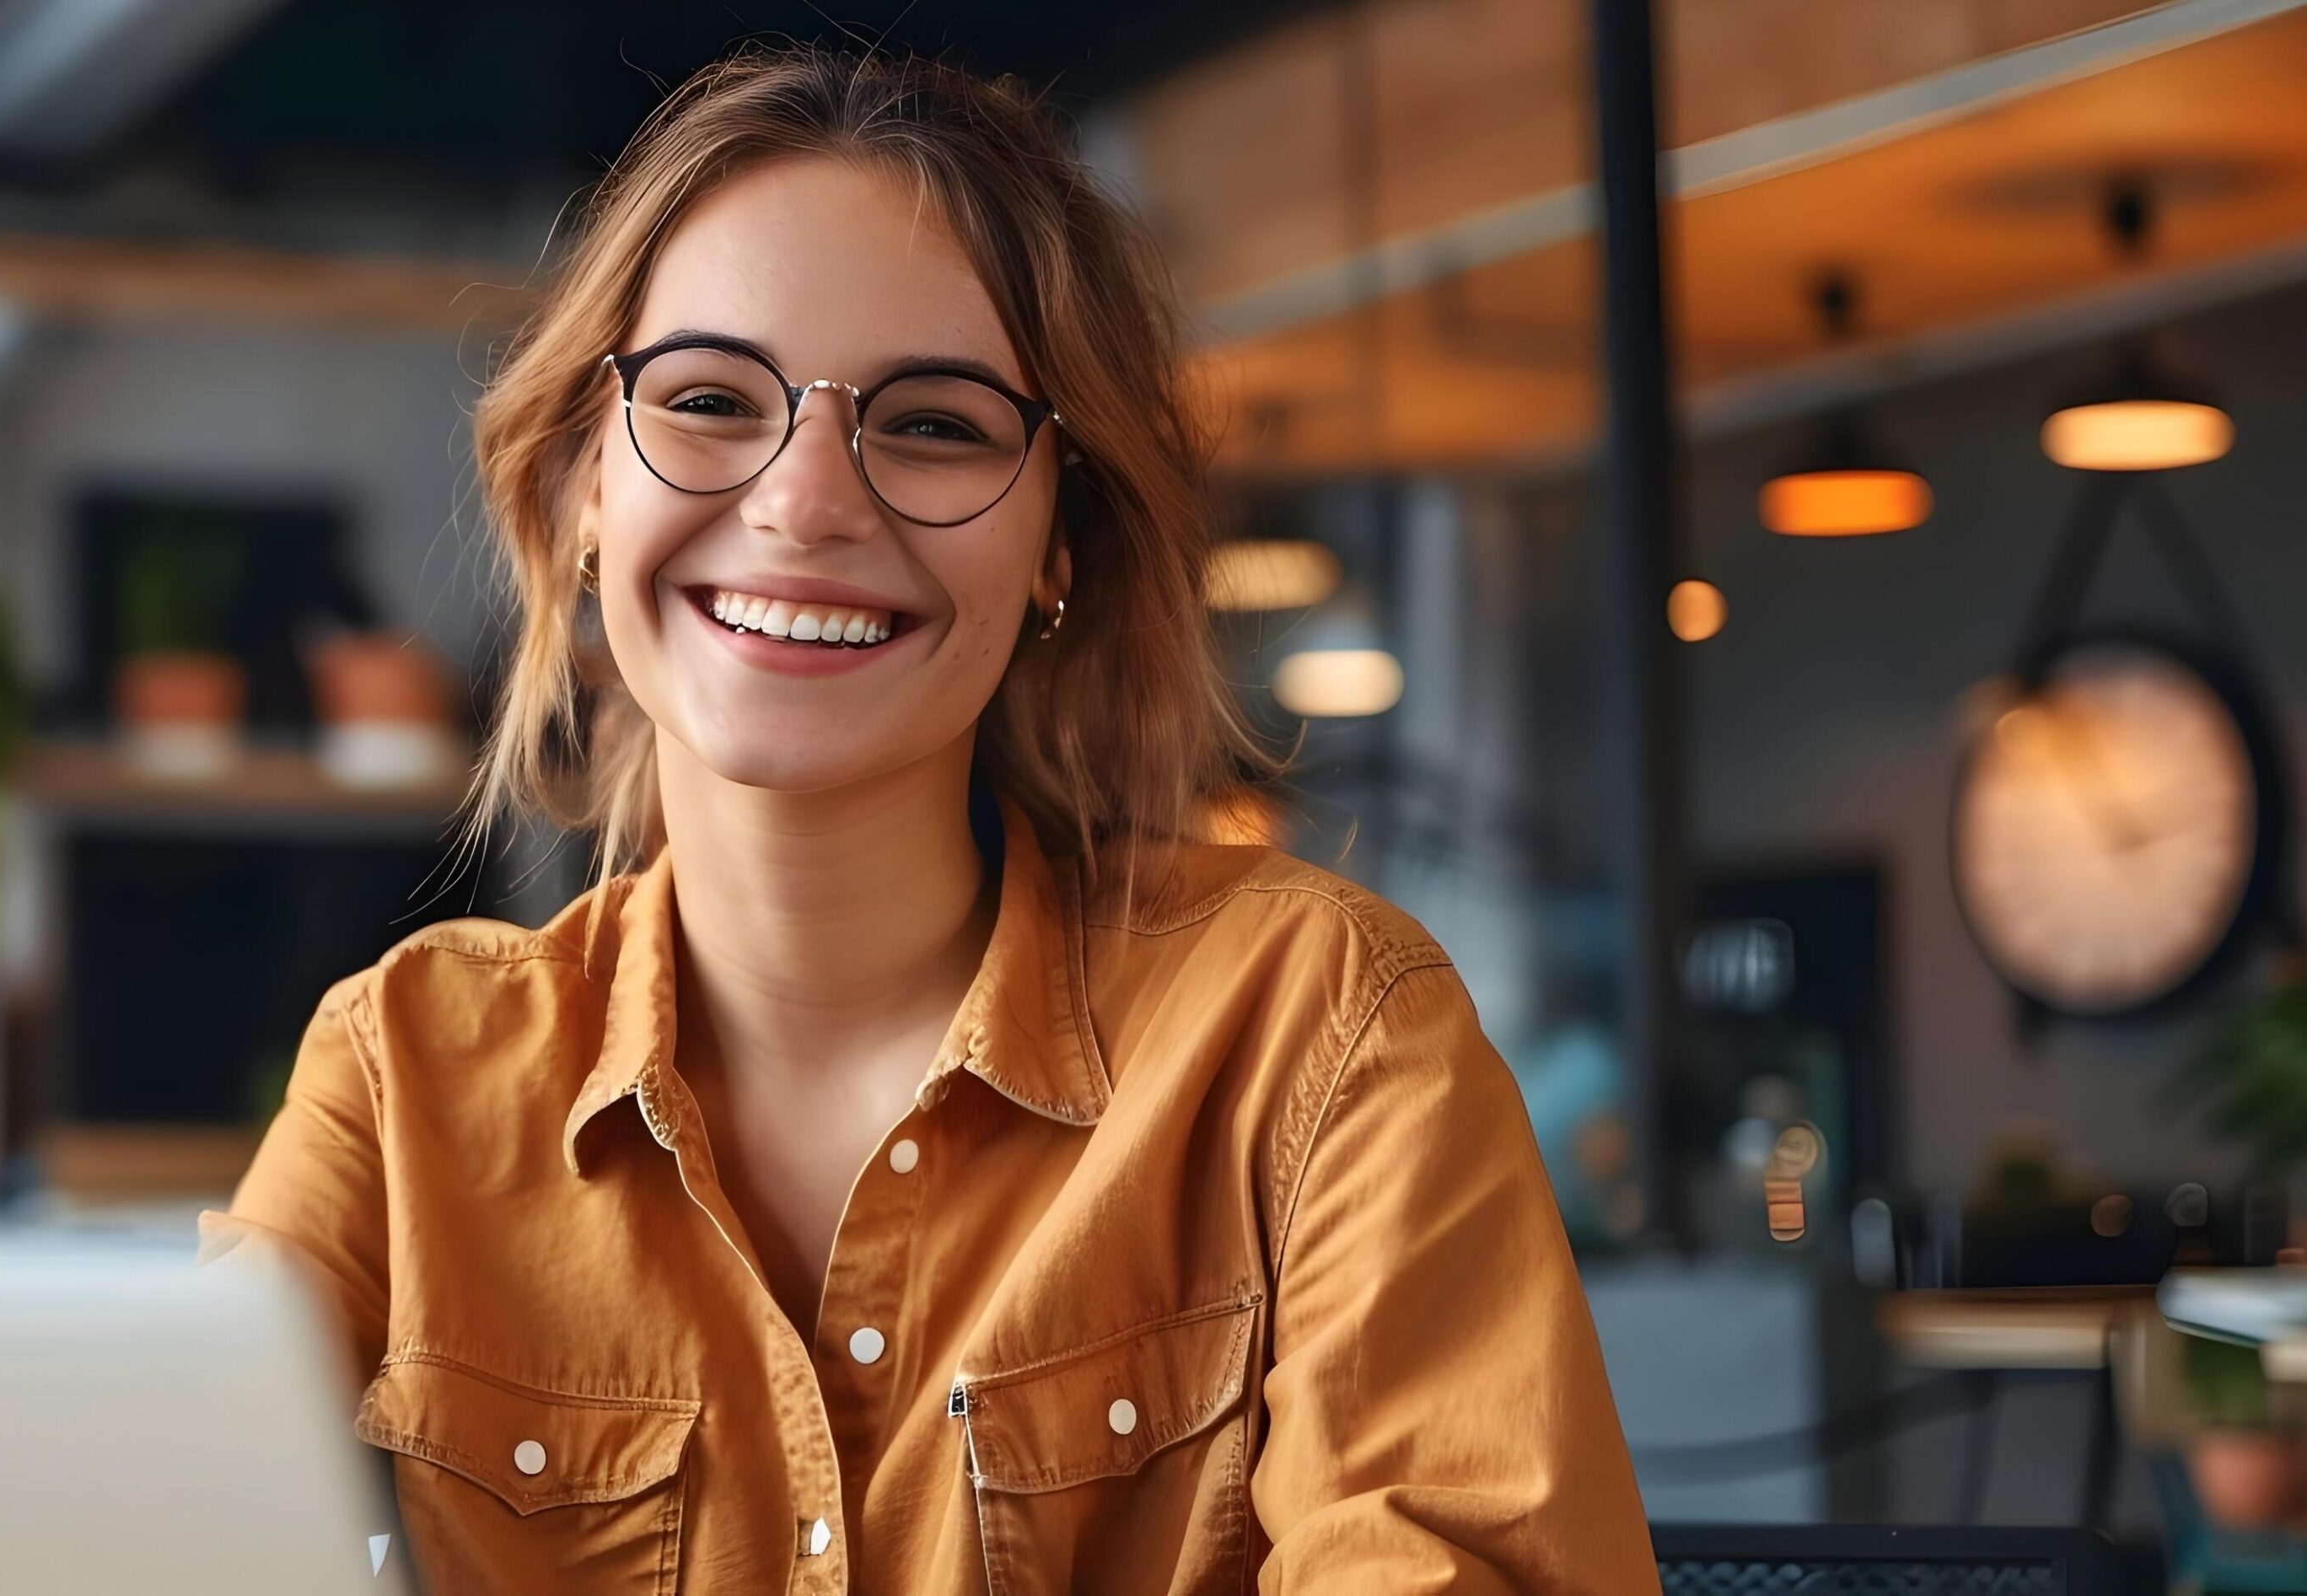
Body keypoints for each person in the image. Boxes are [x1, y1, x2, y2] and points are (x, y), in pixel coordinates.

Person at [202, 43, 1654, 1594]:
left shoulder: (1319, 1039)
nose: (809, 497)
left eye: (939, 425)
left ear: (1060, 547)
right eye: (705, 399)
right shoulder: (400, 1080)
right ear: (575, 492)